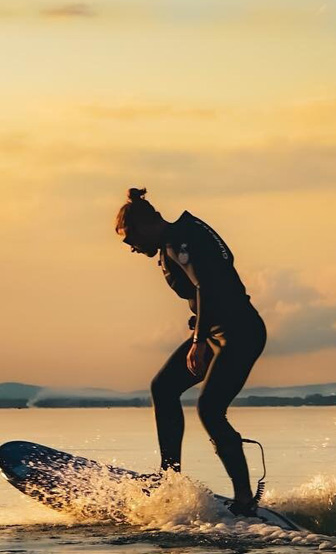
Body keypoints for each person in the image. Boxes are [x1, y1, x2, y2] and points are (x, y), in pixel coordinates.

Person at [115, 187, 267, 517]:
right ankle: (170, 477)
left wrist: (198, 340)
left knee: (210, 409)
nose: (134, 249)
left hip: (238, 333)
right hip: (216, 330)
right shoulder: (179, 237)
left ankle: (245, 498)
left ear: (148, 223)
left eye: (132, 240)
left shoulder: (180, 241)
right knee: (164, 387)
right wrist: (199, 325)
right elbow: (212, 288)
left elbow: (208, 286)